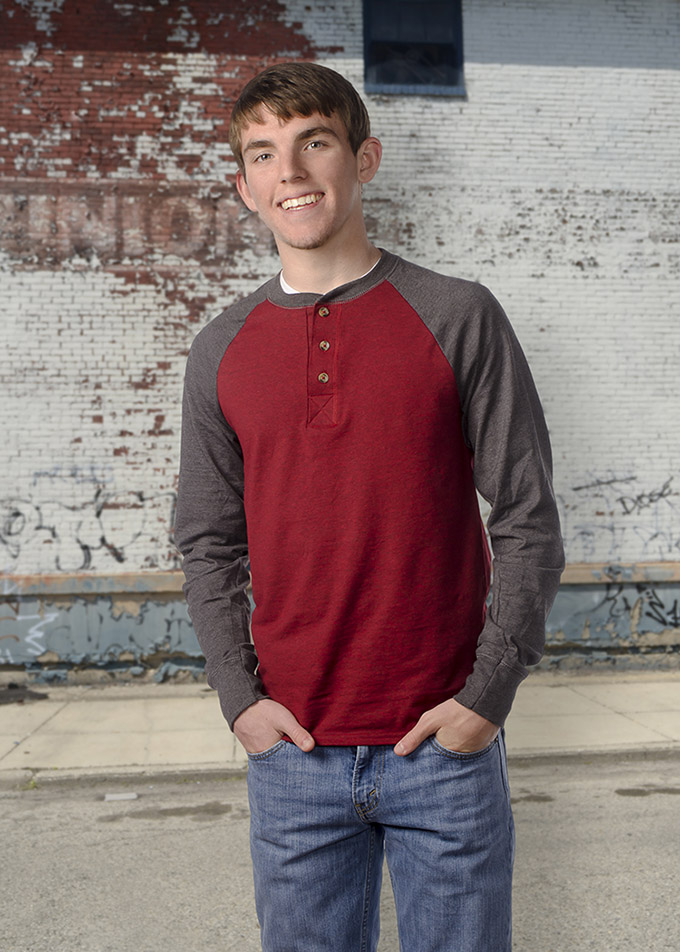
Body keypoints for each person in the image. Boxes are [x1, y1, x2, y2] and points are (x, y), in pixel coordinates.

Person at [175, 61, 564, 952]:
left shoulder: (458, 315)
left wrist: (487, 696)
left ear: (364, 158)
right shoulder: (221, 348)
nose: (292, 172)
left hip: (442, 748)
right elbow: (205, 541)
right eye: (264, 154)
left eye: (314, 142)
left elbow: (527, 516)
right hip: (293, 755)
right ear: (243, 187)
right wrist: (240, 700)